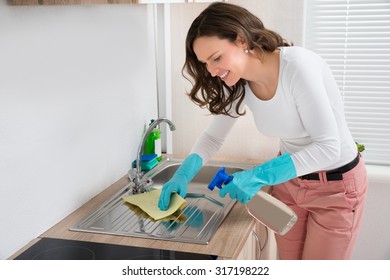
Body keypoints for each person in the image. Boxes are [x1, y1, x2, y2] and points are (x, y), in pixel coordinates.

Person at [157, 2, 368, 260]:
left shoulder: (297, 67)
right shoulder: (235, 80)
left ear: (241, 39)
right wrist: (183, 174)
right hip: (289, 184)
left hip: (335, 187)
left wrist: (260, 175)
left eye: (216, 58)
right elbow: (213, 137)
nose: (212, 72)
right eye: (205, 63)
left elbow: (327, 148)